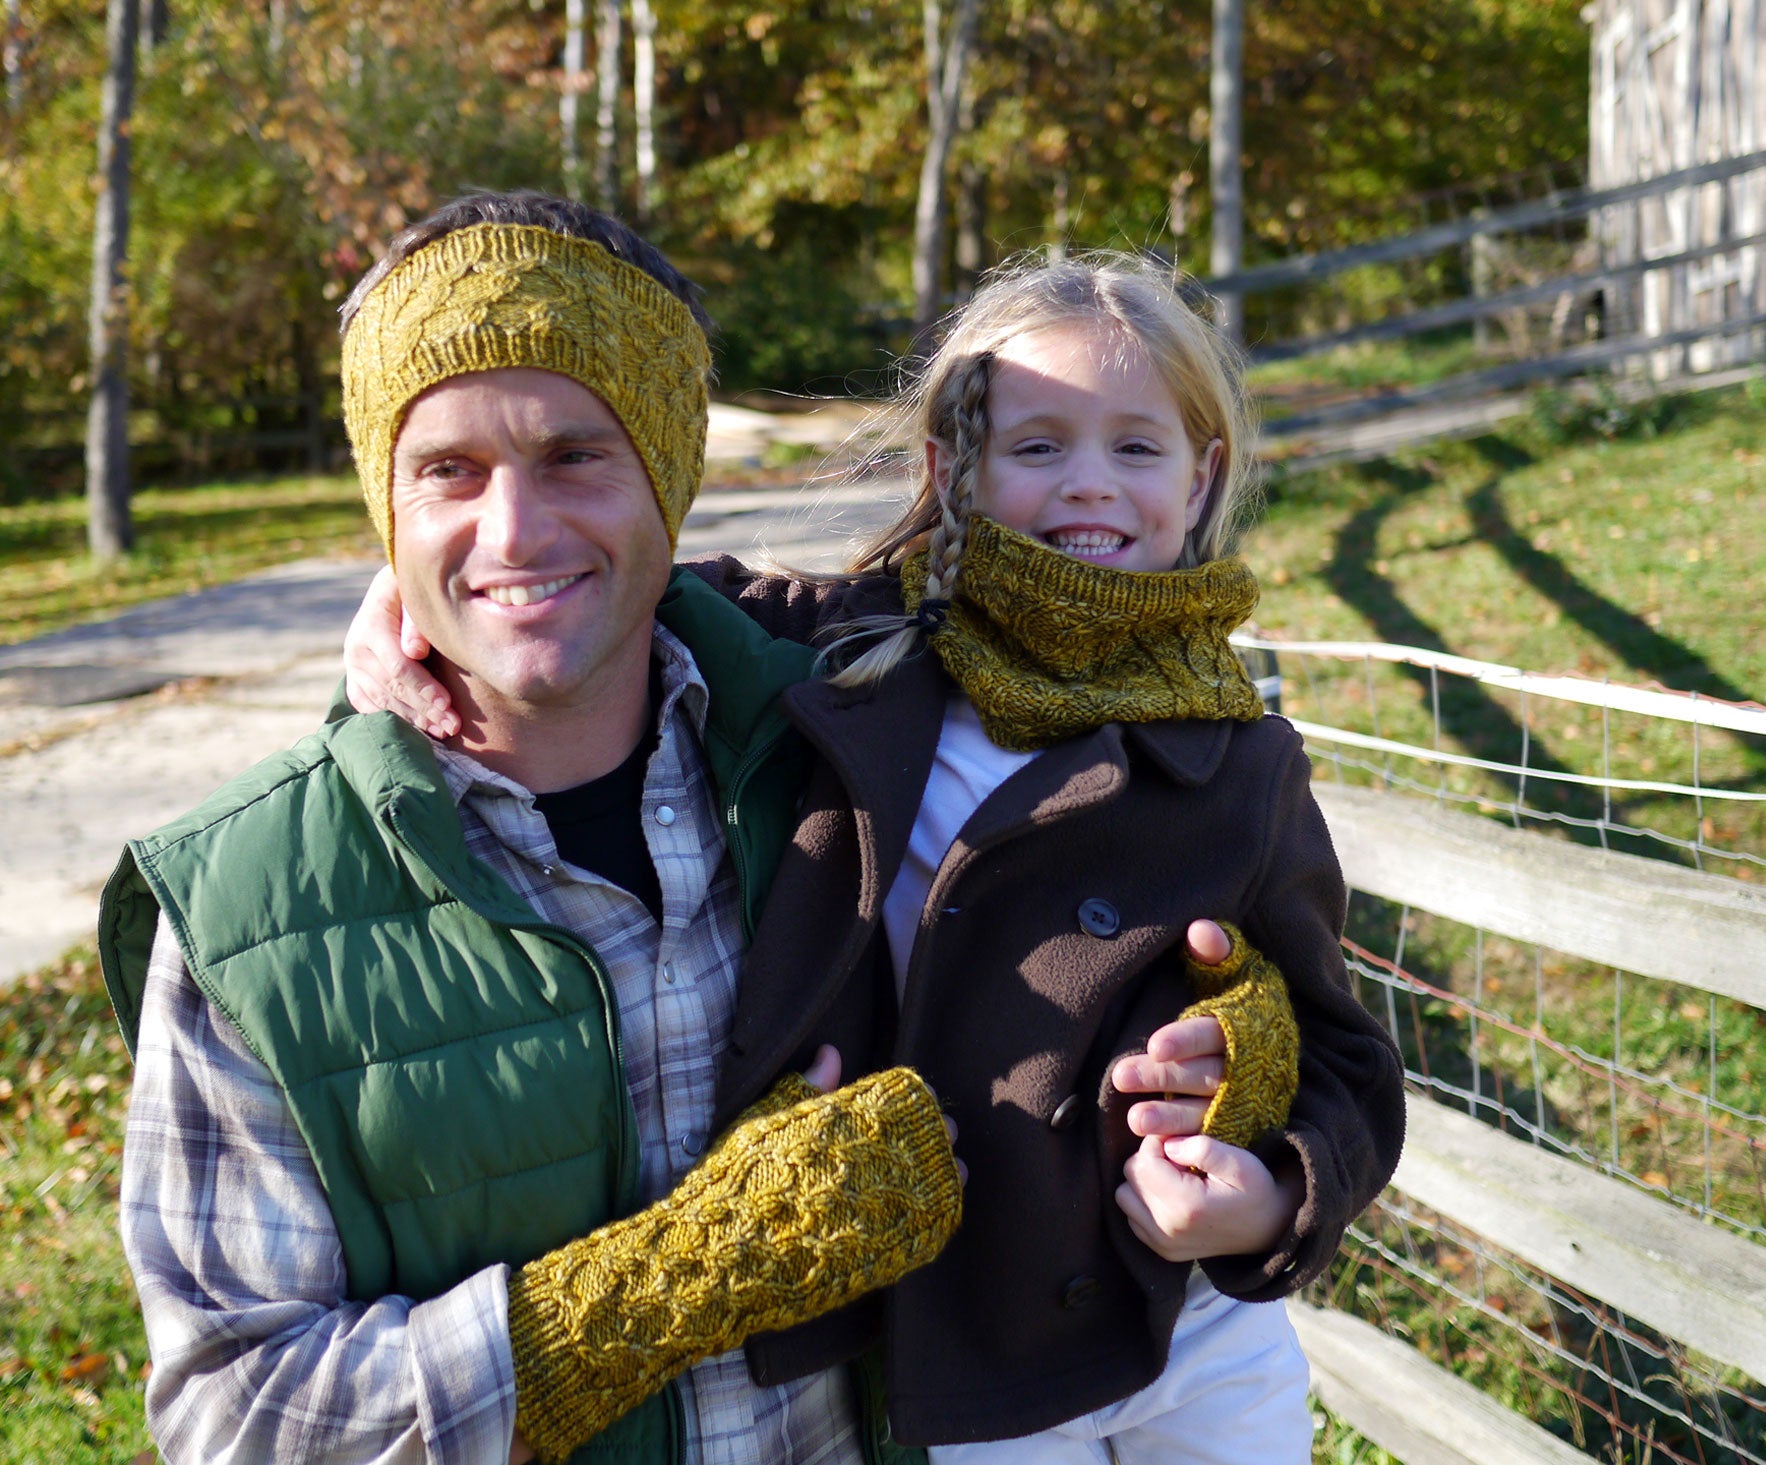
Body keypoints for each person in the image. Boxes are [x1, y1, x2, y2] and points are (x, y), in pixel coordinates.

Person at [347, 248, 1407, 1463]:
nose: (1090, 486)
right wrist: (398, 599)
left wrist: (1271, 1190)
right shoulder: (853, 655)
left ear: (1202, 472)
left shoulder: (1242, 757)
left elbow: (1347, 1056)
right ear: (952, 469)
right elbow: (586, 588)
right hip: (964, 1338)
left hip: (1194, 1323)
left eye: (1136, 446)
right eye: (1039, 445)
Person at [98, 193, 972, 1465]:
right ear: (383, 510)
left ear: (666, 482)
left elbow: (1103, 639)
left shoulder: (841, 756)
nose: (513, 531)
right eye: (446, 470)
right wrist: (671, 1284)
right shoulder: (242, 916)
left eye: (574, 454)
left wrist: (1239, 1064)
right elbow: (236, 1418)